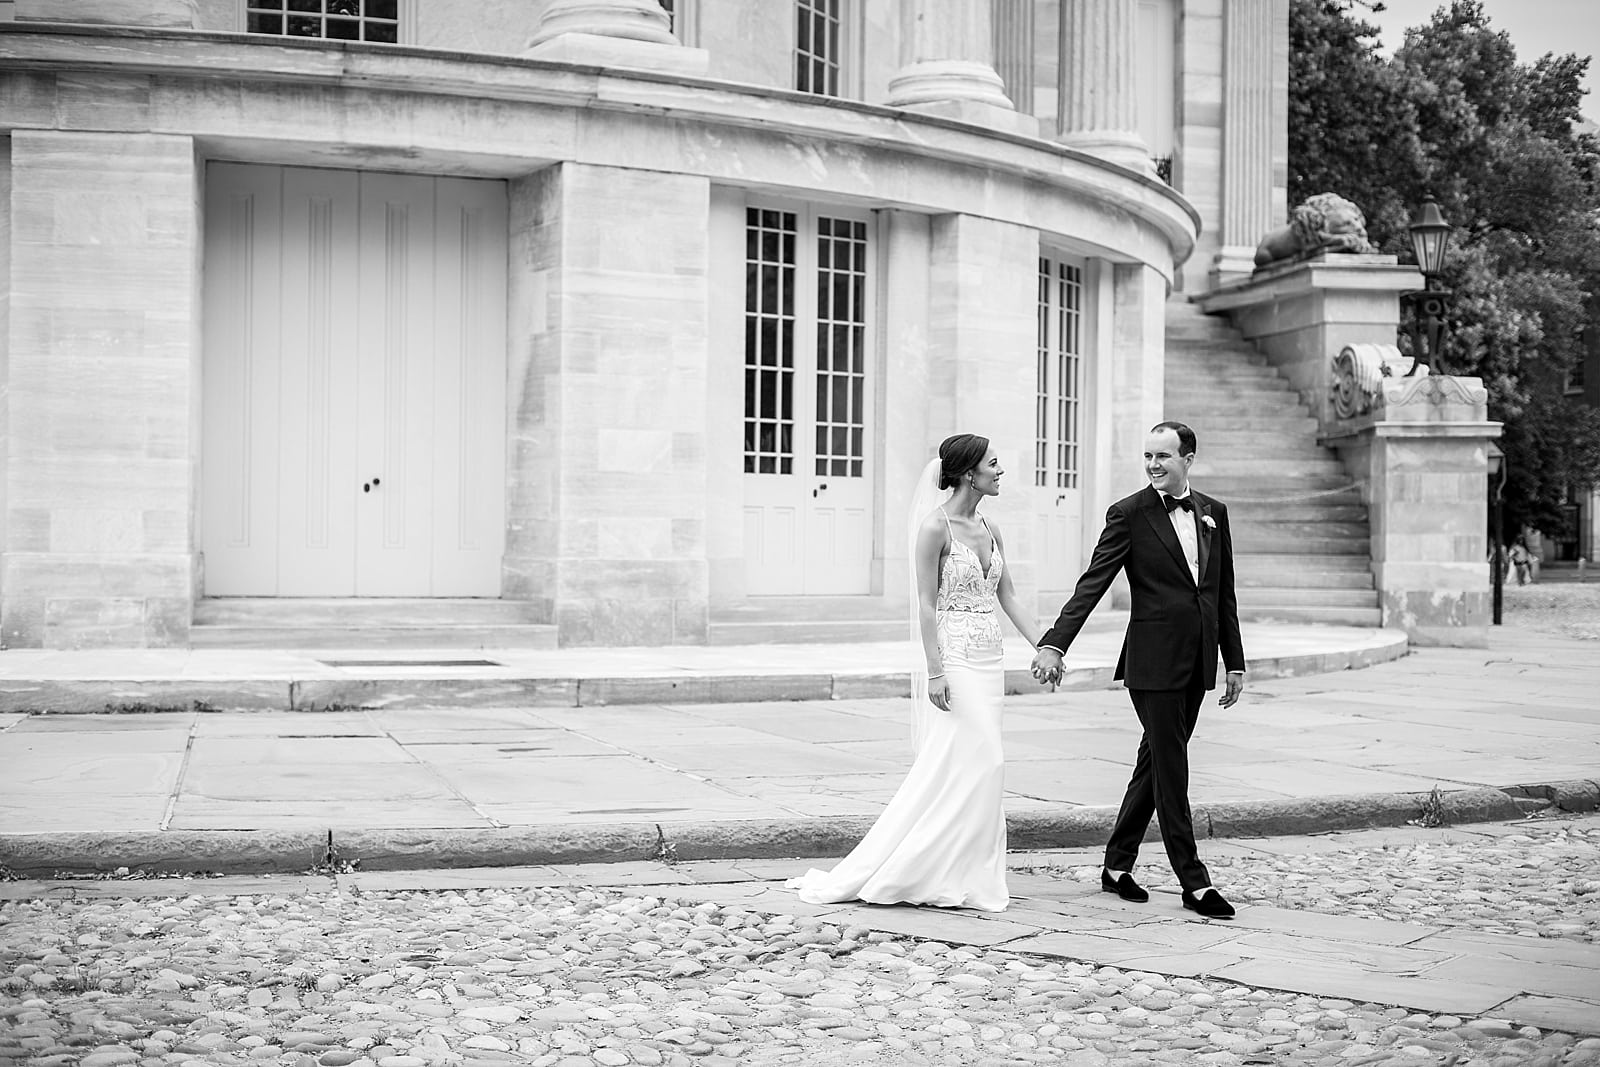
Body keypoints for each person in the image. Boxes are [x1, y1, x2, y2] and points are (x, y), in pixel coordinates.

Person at [787, 433, 1042, 912]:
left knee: (969, 764)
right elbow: (926, 603)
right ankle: (913, 867)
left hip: (989, 658)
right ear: (969, 473)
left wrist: (1046, 645)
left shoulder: (990, 526)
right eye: (993, 463)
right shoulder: (934, 527)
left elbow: (1007, 595)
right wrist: (935, 671)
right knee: (986, 759)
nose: (1000, 471)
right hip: (956, 657)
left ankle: (966, 871)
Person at [1031, 421, 1246, 919]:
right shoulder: (1128, 513)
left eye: (1162, 456)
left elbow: (1223, 592)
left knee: (1154, 764)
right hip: (1153, 663)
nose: (1153, 465)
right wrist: (1055, 644)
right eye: (1148, 456)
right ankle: (1195, 883)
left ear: (1187, 459)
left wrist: (1233, 660)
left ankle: (1116, 865)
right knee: (1172, 769)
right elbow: (1094, 582)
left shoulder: (1213, 512)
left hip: (1198, 660)